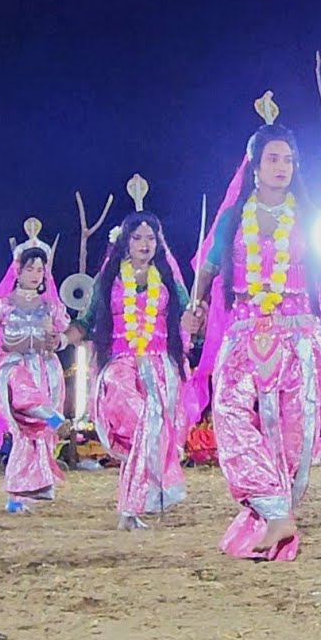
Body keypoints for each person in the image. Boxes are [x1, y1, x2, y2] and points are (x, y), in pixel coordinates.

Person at [190, 93, 321, 561]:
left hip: (299, 334)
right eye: (273, 158)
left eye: (289, 159)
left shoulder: (308, 217)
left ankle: (275, 521)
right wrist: (194, 307)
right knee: (230, 414)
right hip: (244, 328)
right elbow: (209, 269)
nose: (282, 166)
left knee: (296, 436)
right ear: (254, 166)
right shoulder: (234, 218)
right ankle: (274, 510)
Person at [66, 177, 203, 530]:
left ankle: (130, 510)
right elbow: (86, 319)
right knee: (145, 422)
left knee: (154, 427)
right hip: (120, 365)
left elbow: (190, 318)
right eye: (138, 237)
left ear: (159, 243)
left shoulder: (169, 280)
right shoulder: (109, 279)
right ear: (125, 241)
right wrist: (65, 337)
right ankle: (147, 496)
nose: (144, 244)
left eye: (150, 238)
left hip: (161, 368)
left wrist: (194, 319)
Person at [0, 221, 70, 513]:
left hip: (45, 369)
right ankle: (50, 417)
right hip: (11, 367)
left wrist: (58, 340)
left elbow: (68, 334)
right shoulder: (1, 305)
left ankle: (18, 496)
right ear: (18, 271)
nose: (36, 274)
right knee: (19, 385)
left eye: (40, 270)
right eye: (30, 269)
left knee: (31, 437)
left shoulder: (52, 306)